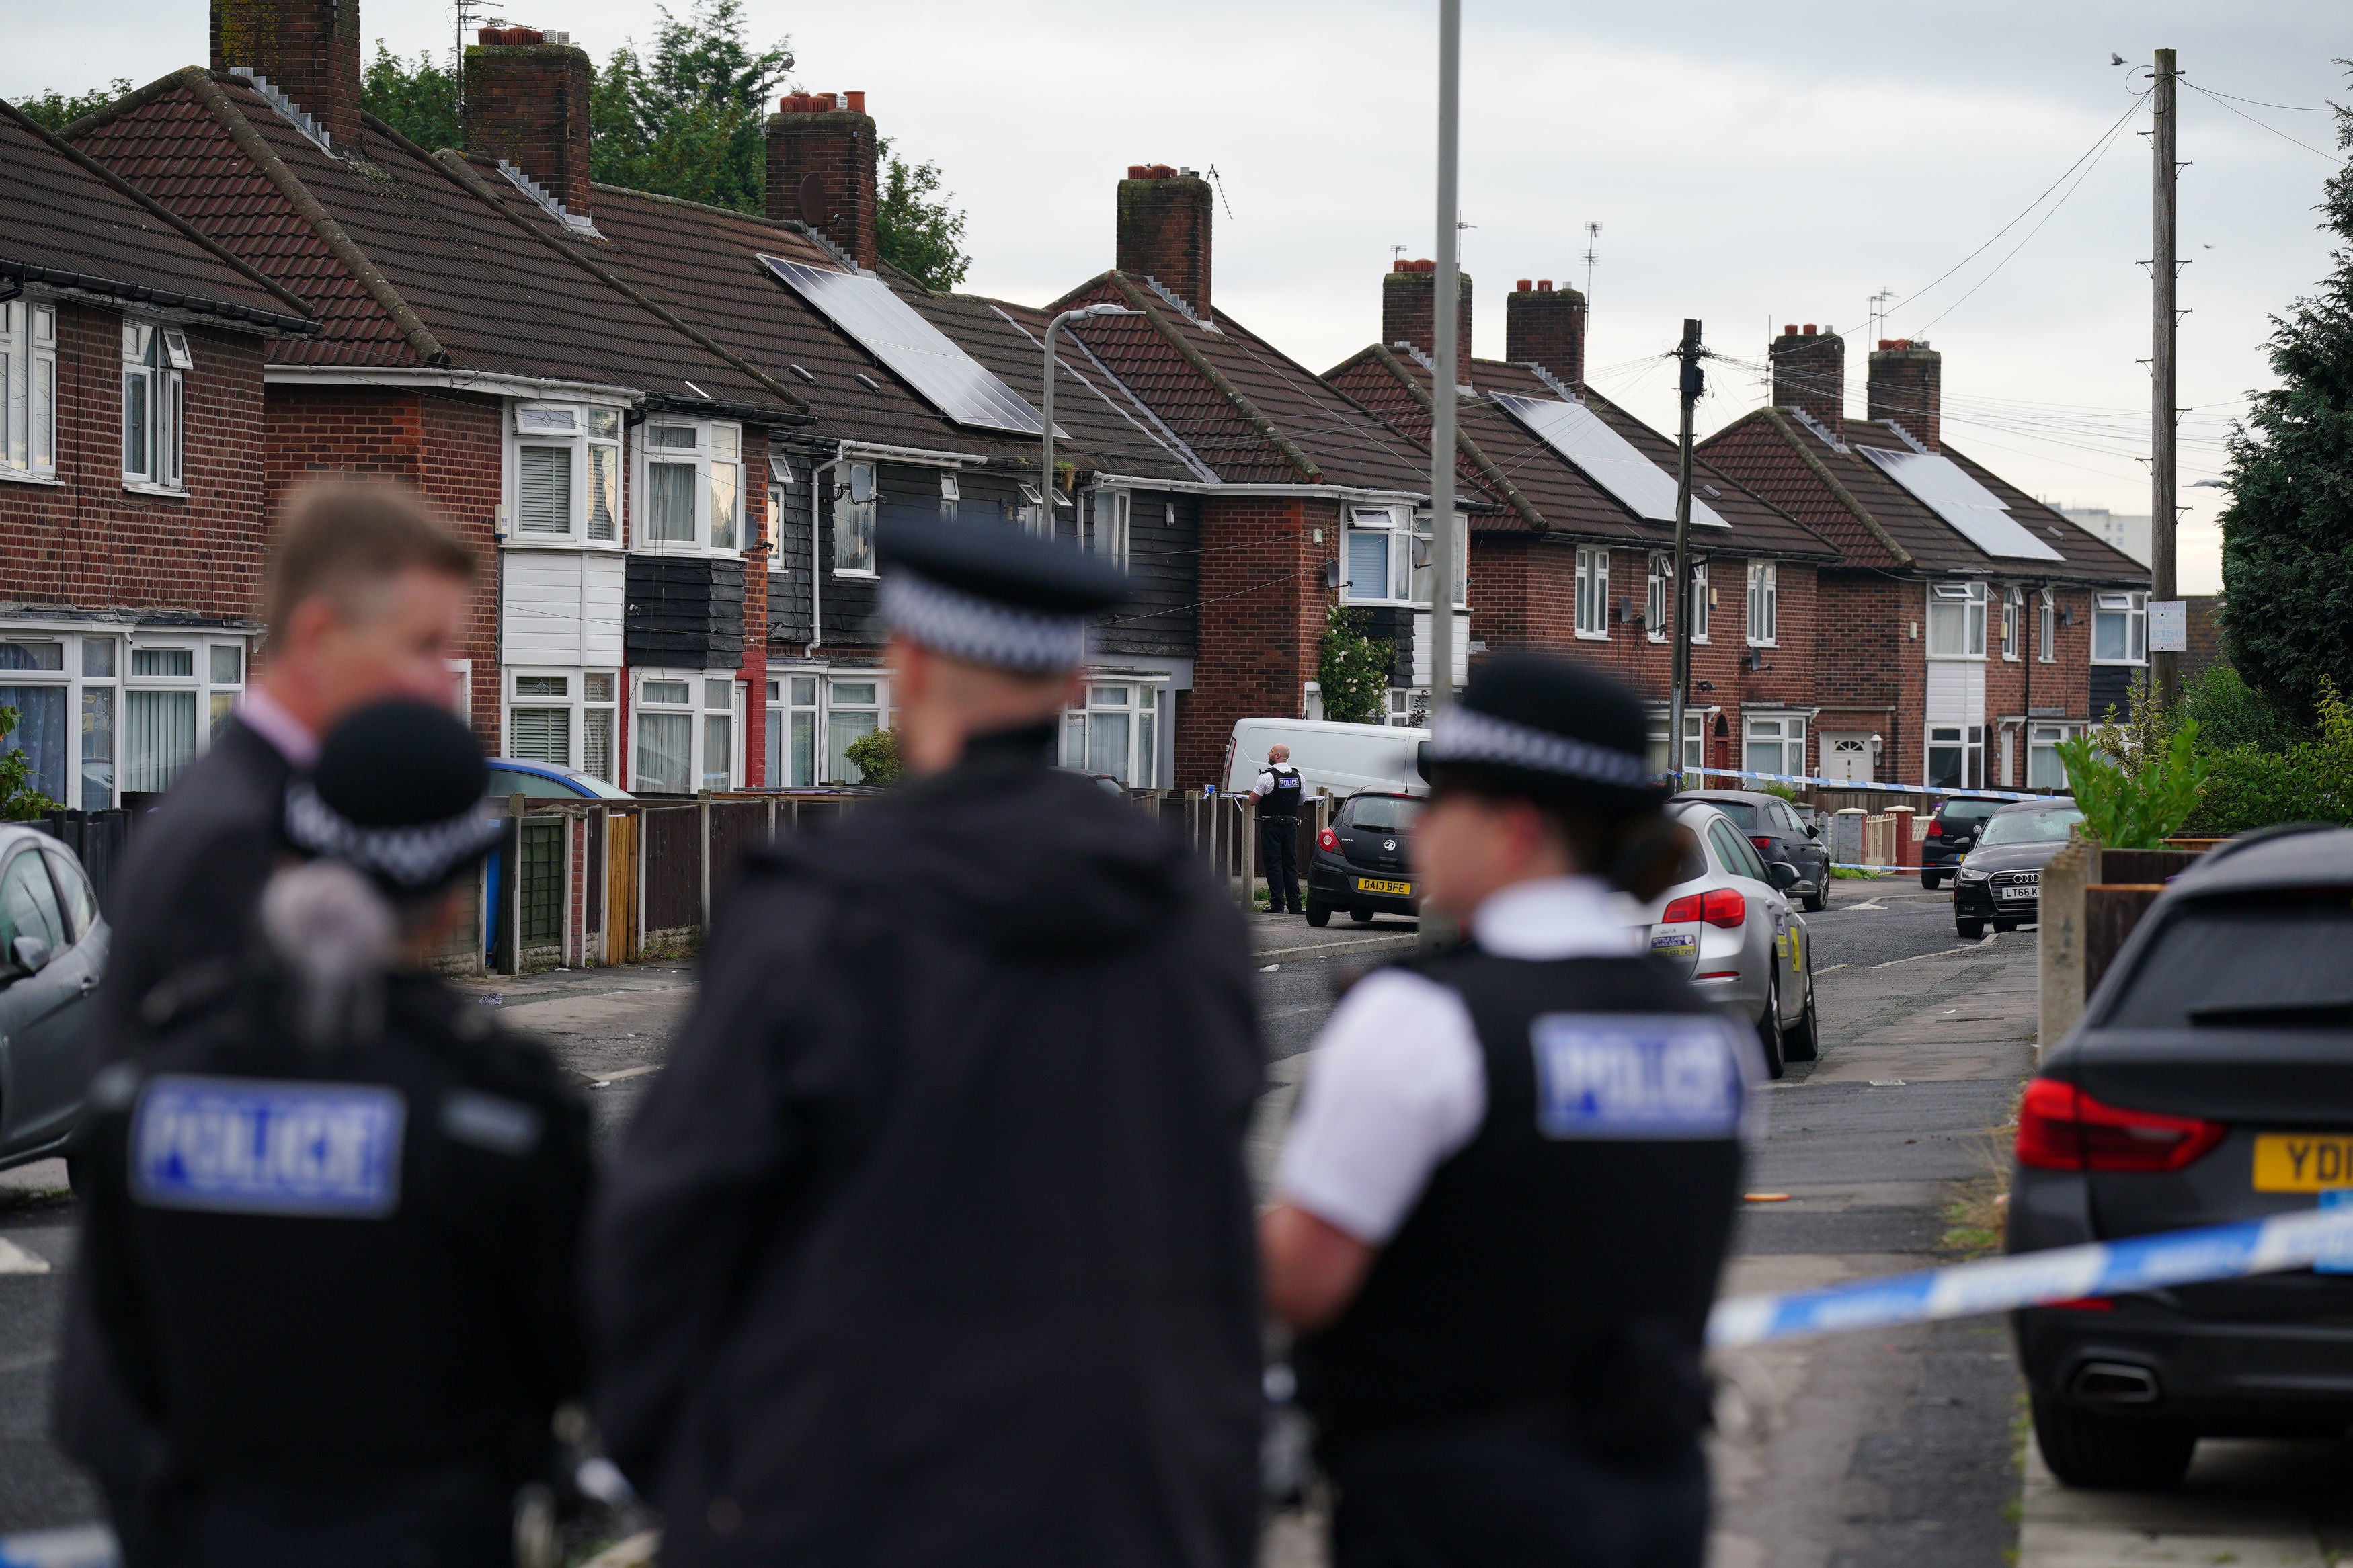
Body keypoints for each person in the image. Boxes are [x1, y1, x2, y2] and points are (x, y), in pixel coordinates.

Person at [589, 515, 1265, 1567]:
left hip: (841, 1501)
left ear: (905, 663)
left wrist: (708, 1474)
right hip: (1124, 1507)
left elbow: (665, 1229)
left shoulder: (814, 912)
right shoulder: (1190, 923)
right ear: (1076, 683)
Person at [56, 477, 477, 1565]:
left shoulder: (264, 804)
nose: (446, 686)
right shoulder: (237, 836)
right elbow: (237, 1168)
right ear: (321, 631)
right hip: (208, 1429)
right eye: (426, 646)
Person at [1260, 655, 1755, 1568]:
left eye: (1440, 803)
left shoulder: (1422, 1018)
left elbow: (1304, 1277)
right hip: (1654, 1501)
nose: (1419, 828)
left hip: (1451, 1511)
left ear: (1516, 828)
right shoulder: (1706, 1037)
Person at [76, 699, 593, 1568]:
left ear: (290, 857)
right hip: (433, 1533)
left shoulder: (148, 1089)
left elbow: (129, 1336)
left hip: (207, 1532)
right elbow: (564, 1351)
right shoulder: (498, 1111)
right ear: (453, 901)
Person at [1252, 743, 1306, 915]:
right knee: (1290, 863)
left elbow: (1253, 800)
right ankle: (1295, 906)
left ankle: (1277, 905)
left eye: (1271, 751)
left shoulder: (1266, 777)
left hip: (1271, 825)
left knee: (1274, 863)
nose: (1268, 753)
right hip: (1290, 825)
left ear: (1277, 756)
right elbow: (1301, 801)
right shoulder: (1299, 777)